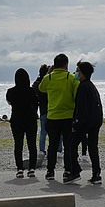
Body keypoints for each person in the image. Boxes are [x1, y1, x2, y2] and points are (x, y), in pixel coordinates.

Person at [37, 53, 79, 182]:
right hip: (67, 116)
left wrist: (47, 74)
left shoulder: (48, 78)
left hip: (52, 116)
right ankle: (67, 171)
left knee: (52, 145)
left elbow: (41, 88)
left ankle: (50, 171)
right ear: (66, 64)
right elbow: (76, 94)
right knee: (68, 145)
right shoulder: (70, 77)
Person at [69, 61, 104, 184]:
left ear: (82, 73)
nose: (76, 73)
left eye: (77, 70)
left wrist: (76, 125)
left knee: (72, 146)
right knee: (93, 148)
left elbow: (81, 108)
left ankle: (75, 171)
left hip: (86, 123)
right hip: (95, 121)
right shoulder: (91, 86)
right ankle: (96, 173)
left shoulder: (82, 87)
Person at [5, 68, 39, 178]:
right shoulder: (31, 90)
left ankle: (19, 169)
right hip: (30, 119)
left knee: (18, 145)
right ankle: (32, 169)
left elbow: (9, 102)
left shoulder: (11, 91)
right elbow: (35, 102)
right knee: (32, 145)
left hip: (16, 119)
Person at [32, 64, 62, 156]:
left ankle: (42, 150)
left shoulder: (36, 84)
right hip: (53, 109)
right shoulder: (50, 81)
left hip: (43, 110)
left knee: (43, 133)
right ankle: (59, 150)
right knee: (57, 132)